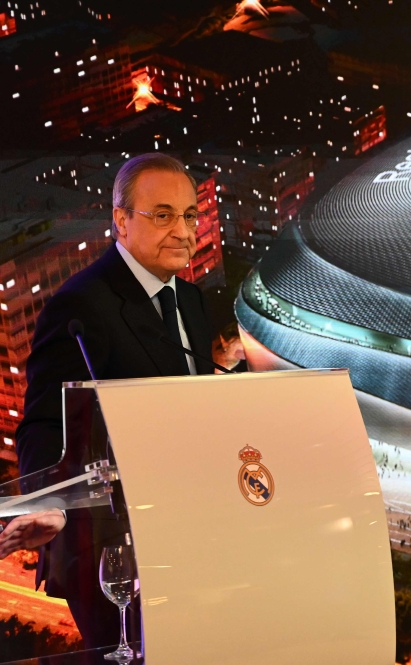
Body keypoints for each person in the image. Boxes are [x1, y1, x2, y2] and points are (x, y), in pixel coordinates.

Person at [0, 152, 216, 649]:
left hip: (187, 532)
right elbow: (43, 425)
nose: (183, 231)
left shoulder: (191, 299)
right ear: (120, 220)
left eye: (189, 215)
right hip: (110, 554)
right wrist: (47, 503)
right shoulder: (79, 306)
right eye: (163, 215)